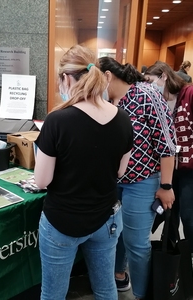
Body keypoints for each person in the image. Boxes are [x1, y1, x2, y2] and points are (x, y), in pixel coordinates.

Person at [34, 45, 133, 300]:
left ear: (66, 78)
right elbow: (121, 171)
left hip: (63, 222)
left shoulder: (58, 120)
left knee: (53, 294)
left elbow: (42, 181)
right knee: (105, 288)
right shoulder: (123, 118)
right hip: (106, 218)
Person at [98, 57, 176, 300]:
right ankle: (120, 275)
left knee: (137, 244)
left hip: (143, 181)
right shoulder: (107, 100)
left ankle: (141, 294)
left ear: (108, 76)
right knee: (115, 234)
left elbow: (167, 144)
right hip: (114, 182)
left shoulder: (146, 95)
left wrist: (166, 185)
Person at [144, 61, 193, 259]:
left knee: (188, 217)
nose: (149, 87)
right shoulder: (160, 102)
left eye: (150, 81)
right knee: (169, 215)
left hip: (189, 169)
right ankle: (173, 258)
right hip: (172, 168)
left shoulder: (188, 94)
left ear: (164, 76)